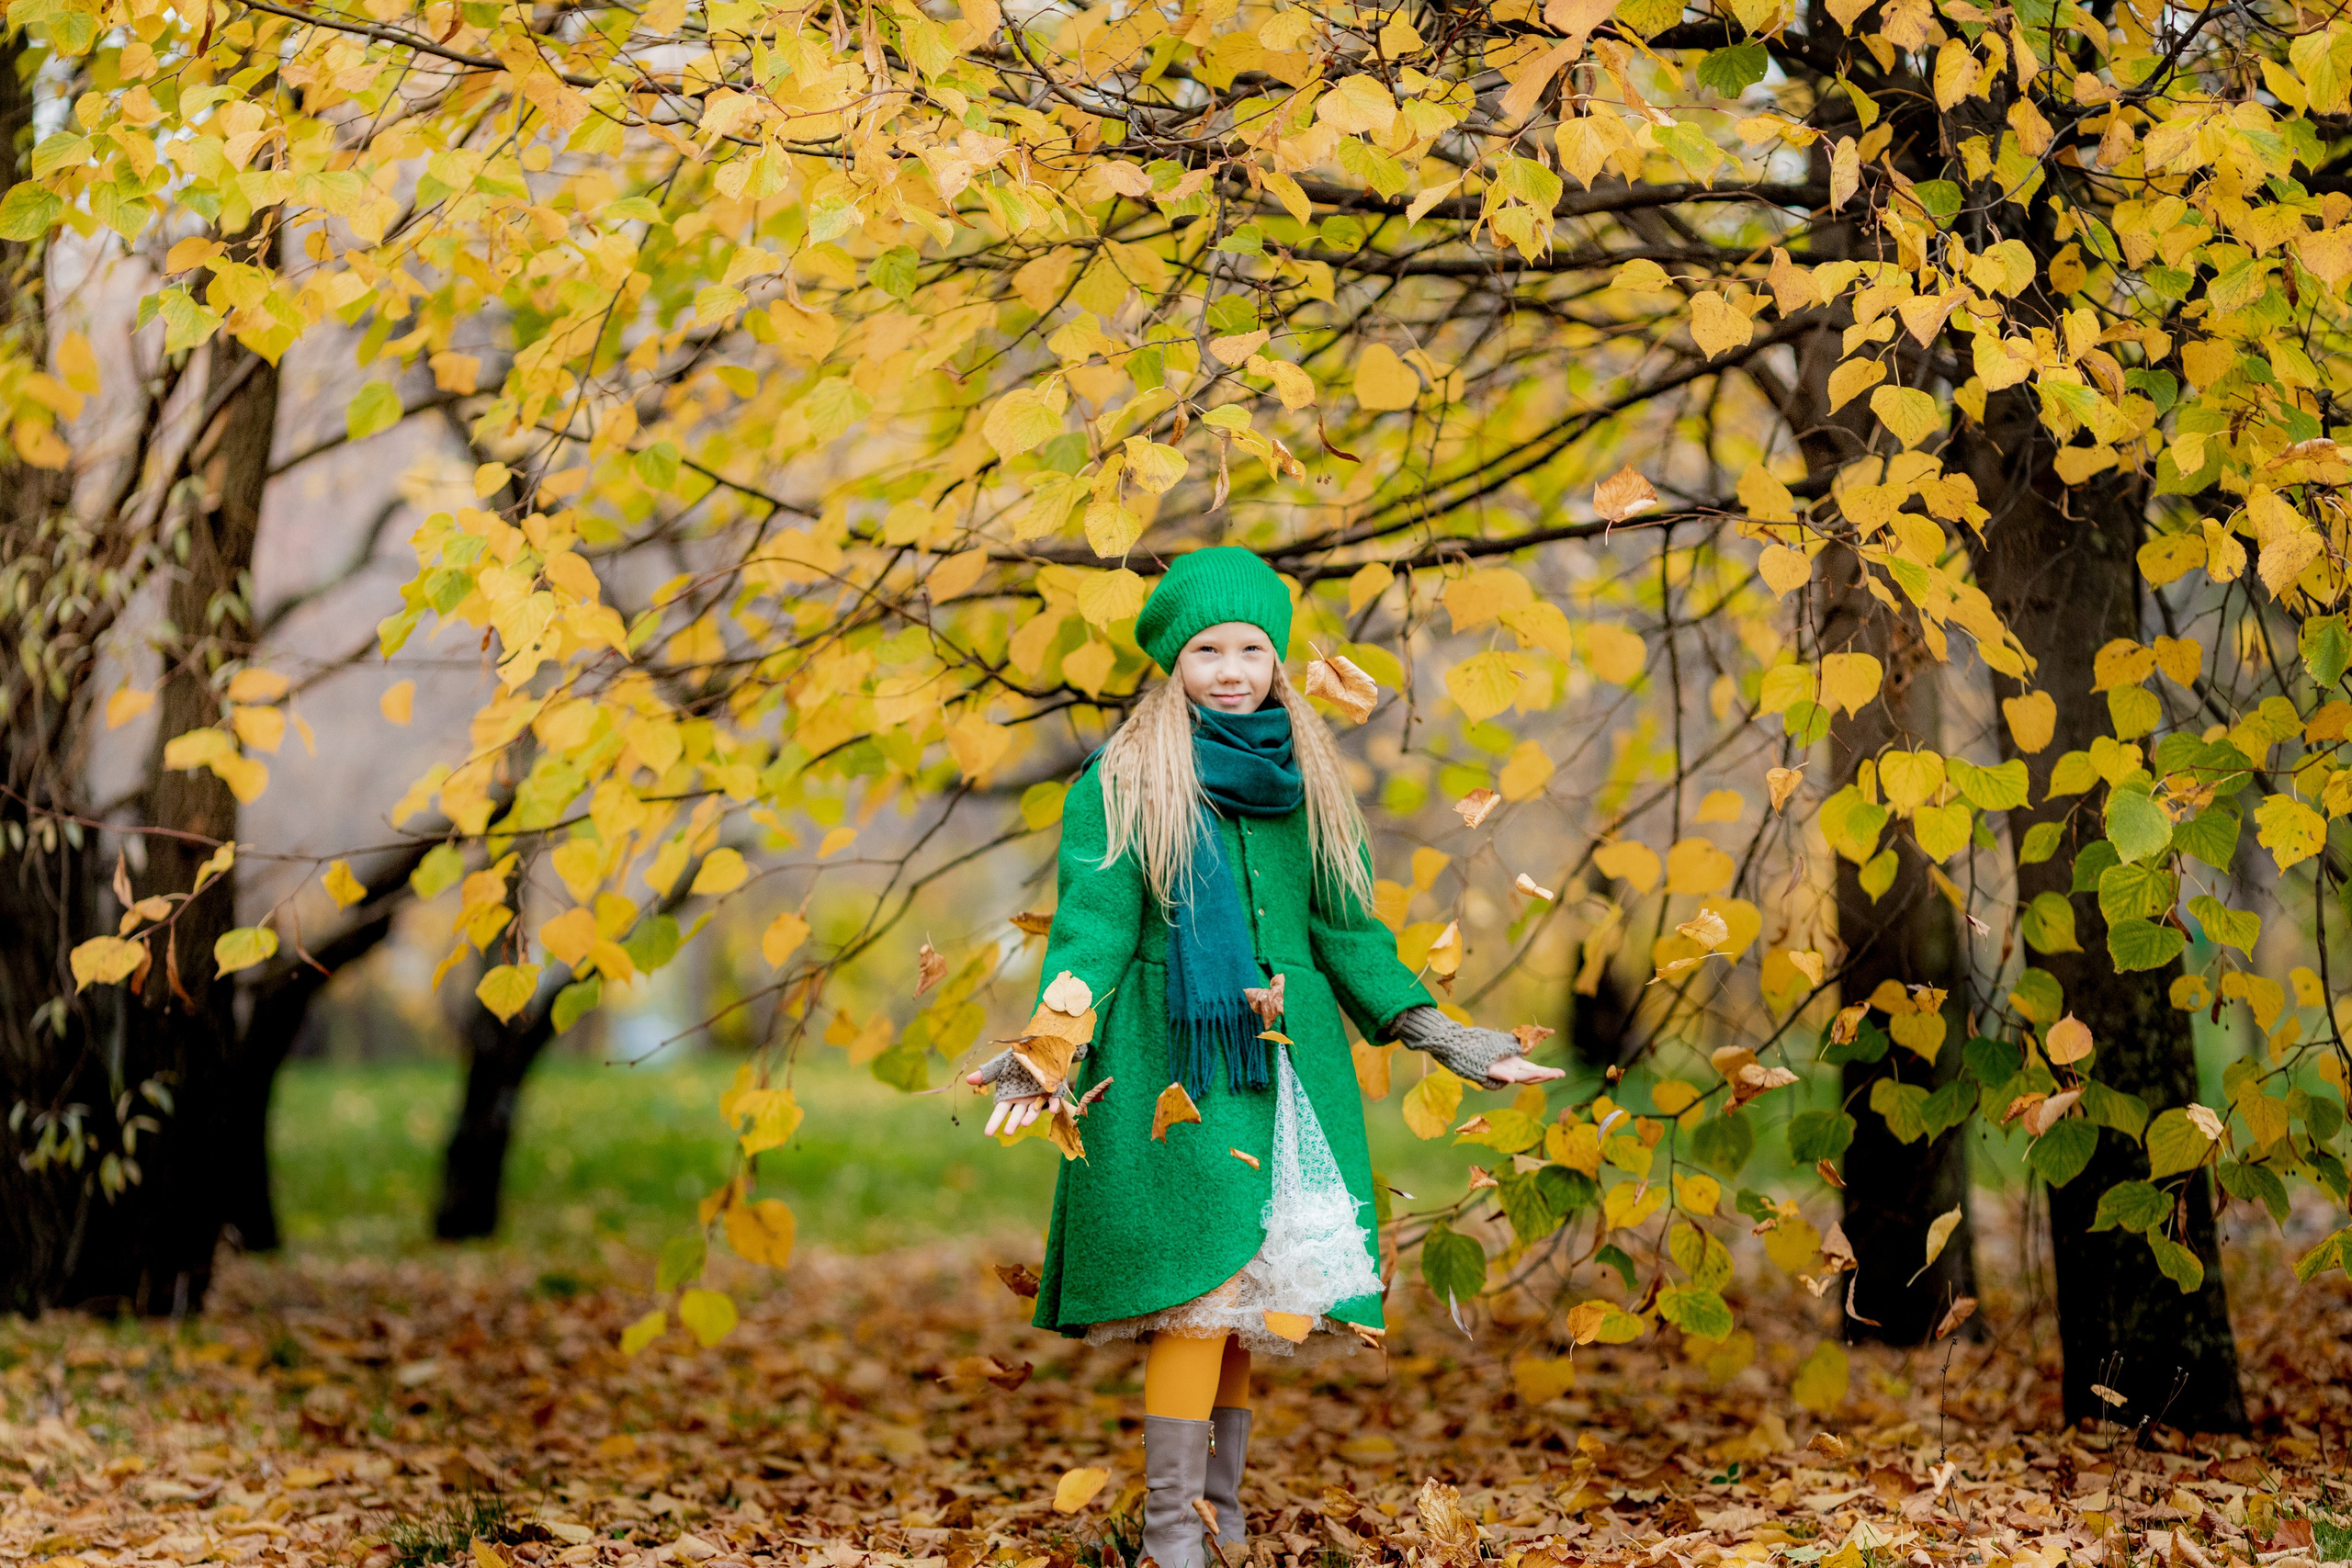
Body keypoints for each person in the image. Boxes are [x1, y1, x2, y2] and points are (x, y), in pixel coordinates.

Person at [967, 548, 1561, 1568]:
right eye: (1207, 650)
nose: (1232, 668)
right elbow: (1092, 931)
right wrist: (1051, 1046)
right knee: (1197, 1299)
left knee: (1239, 1304)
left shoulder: (1309, 782)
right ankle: (1171, 1539)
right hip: (1169, 1068)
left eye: (1251, 648)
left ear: (1277, 659)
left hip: (1286, 1066)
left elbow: (1348, 934)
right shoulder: (1120, 781)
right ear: (1172, 661)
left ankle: (1216, 1525)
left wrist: (1442, 1036)